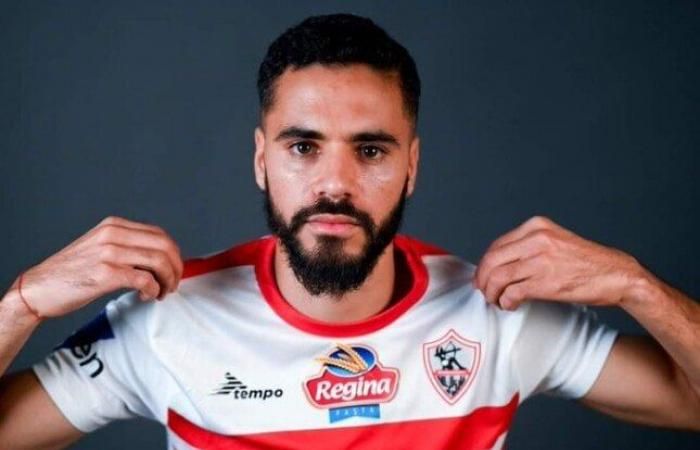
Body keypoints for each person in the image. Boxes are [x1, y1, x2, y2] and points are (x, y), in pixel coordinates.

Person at [0, 13, 698, 450]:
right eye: (303, 147)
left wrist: (636, 286)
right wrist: (20, 304)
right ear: (261, 159)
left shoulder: (498, 316)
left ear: (412, 166)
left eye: (369, 150)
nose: (334, 184)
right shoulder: (166, 322)